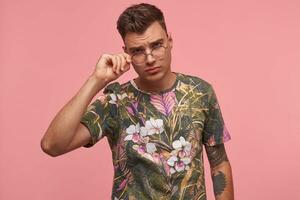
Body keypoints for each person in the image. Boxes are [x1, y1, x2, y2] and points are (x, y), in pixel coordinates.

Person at [41, 3, 234, 200]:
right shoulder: (115, 101)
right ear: (127, 53)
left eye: (157, 45)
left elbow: (219, 163)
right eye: (138, 51)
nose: (149, 58)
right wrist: (96, 80)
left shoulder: (200, 92)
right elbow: (52, 145)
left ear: (170, 41)